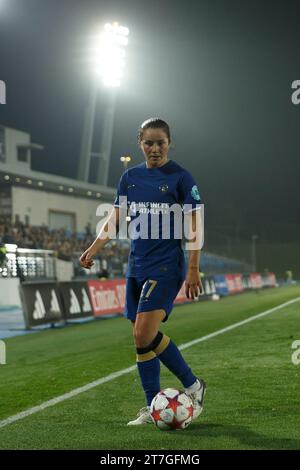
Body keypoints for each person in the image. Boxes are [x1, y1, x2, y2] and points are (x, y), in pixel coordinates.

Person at [80, 118, 206, 425]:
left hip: (166, 266)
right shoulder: (129, 177)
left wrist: (193, 268)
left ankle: (190, 385)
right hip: (137, 265)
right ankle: (156, 406)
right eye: (148, 142)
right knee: (142, 339)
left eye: (160, 142)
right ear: (140, 143)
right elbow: (116, 219)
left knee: (142, 332)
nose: (155, 148)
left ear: (169, 142)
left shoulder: (180, 177)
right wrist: (94, 248)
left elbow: (194, 224)